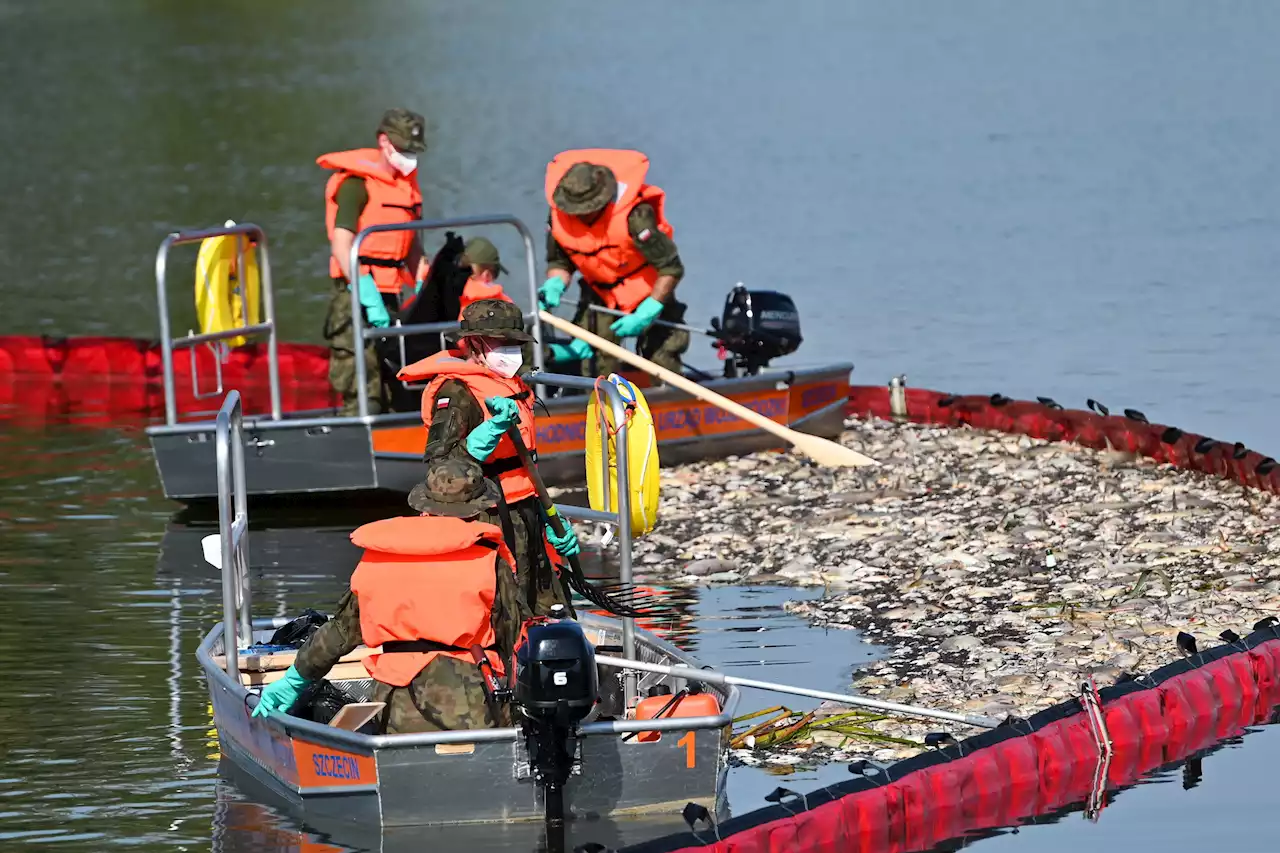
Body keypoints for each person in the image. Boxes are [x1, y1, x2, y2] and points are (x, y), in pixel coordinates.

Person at [252, 457, 531, 732]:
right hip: (468, 705)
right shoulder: (490, 561)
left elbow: (340, 632)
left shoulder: (379, 558)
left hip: (394, 703)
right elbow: (516, 639)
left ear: (424, 506)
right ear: (477, 510)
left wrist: (295, 679)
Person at [397, 298, 580, 615]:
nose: (510, 350)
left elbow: (523, 467)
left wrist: (550, 519)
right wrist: (484, 437)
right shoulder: (456, 392)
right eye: (502, 342)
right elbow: (440, 469)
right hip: (484, 516)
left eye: (515, 342)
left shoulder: (510, 384)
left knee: (549, 607)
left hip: (526, 512)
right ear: (474, 343)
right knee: (501, 611)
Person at [538, 148, 690, 377]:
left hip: (648, 293)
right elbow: (560, 262)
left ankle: (667, 404)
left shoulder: (636, 218)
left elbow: (671, 267)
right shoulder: (560, 218)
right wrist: (555, 284)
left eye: (586, 209)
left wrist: (649, 310)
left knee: (662, 358)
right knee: (593, 360)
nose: (580, 215)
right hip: (599, 294)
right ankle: (594, 407)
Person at [317, 108, 430, 415]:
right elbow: (342, 241)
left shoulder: (407, 188)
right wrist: (364, 289)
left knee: (395, 375)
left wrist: (425, 280)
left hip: (391, 294)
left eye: (413, 151)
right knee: (360, 377)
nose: (408, 157)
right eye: (403, 149)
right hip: (355, 294)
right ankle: (357, 435)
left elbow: (411, 243)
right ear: (384, 141)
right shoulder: (356, 185)